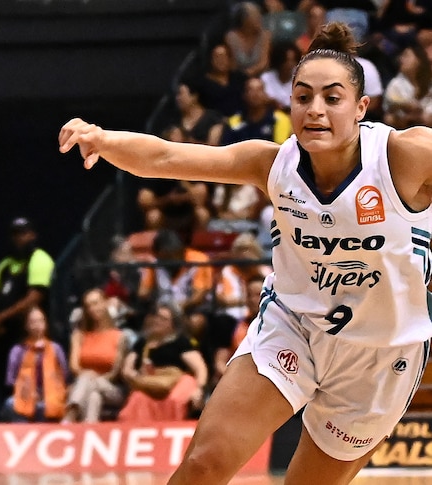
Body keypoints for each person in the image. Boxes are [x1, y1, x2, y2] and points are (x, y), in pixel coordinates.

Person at [58, 21, 432, 484]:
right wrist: (104, 139)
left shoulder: (407, 156)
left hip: (381, 351)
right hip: (294, 326)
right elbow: (168, 158)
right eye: (302, 97)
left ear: (360, 107)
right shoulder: (273, 163)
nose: (315, 110)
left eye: (332, 98)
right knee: (203, 464)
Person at [0, 217, 54, 420]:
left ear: (33, 235)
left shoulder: (40, 258)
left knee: (32, 382)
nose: (19, 239)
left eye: (23, 233)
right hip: (4, 337)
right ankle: (9, 421)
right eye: (15, 234)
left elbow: (34, 297)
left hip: (29, 335)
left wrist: (1, 316)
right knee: (7, 382)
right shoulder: (5, 264)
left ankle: (34, 422)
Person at [117, 303, 208, 423]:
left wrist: (199, 389)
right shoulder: (142, 343)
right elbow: (127, 368)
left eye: (163, 319)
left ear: (173, 324)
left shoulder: (180, 342)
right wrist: (133, 376)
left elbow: (200, 368)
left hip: (177, 380)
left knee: (176, 399)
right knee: (137, 399)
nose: (158, 321)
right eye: (156, 317)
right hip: (149, 382)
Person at [62, 288, 127, 424]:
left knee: (88, 379)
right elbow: (74, 366)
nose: (92, 309)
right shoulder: (79, 335)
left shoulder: (119, 336)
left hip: (110, 388)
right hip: (85, 385)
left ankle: (70, 414)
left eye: (96, 303)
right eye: (88, 305)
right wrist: (87, 377)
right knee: (93, 396)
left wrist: (90, 377)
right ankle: (90, 426)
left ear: (105, 303)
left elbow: (114, 373)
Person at [2, 306, 69, 423]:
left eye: (40, 321)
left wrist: (47, 393)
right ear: (26, 325)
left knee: (48, 406)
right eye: (33, 322)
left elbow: (64, 375)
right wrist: (29, 392)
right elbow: (11, 379)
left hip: (52, 395)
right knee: (10, 404)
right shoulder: (18, 350)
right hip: (25, 395)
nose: (37, 325)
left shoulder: (56, 348)